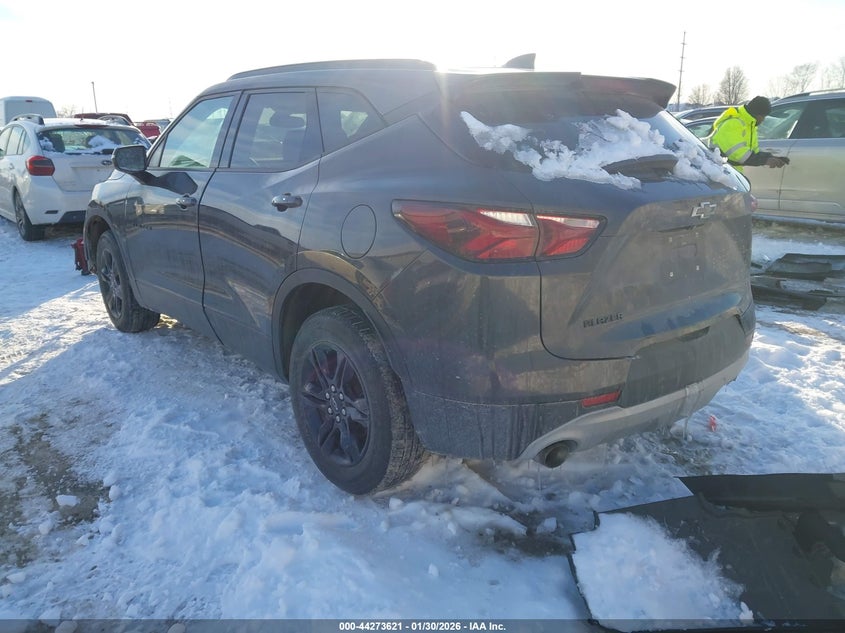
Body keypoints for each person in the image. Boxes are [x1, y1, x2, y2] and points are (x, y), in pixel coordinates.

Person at [707, 96, 789, 172]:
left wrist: (770, 157)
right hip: (718, 172)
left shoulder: (749, 125)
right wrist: (766, 160)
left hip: (729, 171)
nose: (763, 120)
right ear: (758, 114)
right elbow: (740, 156)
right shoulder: (734, 123)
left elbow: (754, 152)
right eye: (763, 116)